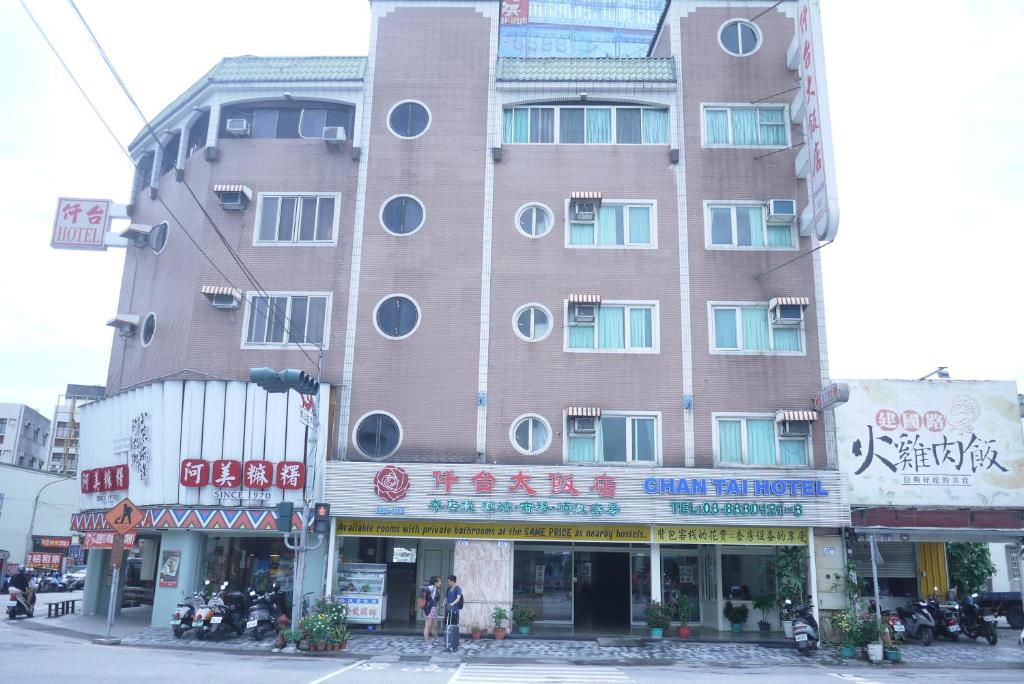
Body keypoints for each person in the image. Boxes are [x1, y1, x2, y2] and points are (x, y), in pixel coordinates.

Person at [422, 576, 441, 642]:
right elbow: (423, 589)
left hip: (434, 609)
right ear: (435, 583)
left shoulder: (436, 589)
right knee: (427, 625)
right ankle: (426, 640)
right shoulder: (432, 587)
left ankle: (436, 639)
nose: (440, 583)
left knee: (434, 625)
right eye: (439, 582)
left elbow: (436, 600)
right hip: (430, 608)